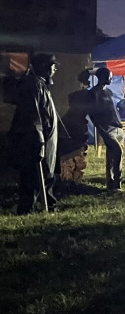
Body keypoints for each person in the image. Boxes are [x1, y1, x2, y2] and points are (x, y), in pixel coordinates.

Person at [9, 53, 62, 214]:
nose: (55, 69)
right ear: (45, 67)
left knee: (46, 175)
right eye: (53, 66)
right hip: (35, 139)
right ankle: (27, 209)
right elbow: (32, 115)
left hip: (47, 138)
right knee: (32, 176)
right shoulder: (33, 85)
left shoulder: (41, 84)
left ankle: (50, 205)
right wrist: (39, 142)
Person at [89, 67, 124, 192]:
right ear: (102, 77)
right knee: (118, 152)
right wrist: (99, 127)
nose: (111, 78)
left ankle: (111, 183)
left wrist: (119, 123)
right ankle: (117, 183)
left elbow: (112, 109)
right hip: (106, 128)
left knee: (111, 155)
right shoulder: (94, 93)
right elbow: (92, 113)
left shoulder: (108, 91)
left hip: (116, 127)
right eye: (109, 76)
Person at [61, 69, 94, 183]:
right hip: (76, 125)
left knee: (70, 152)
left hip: (70, 123)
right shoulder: (88, 95)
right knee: (75, 151)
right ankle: (72, 178)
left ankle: (70, 177)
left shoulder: (73, 95)